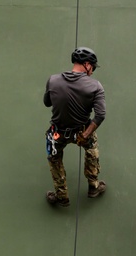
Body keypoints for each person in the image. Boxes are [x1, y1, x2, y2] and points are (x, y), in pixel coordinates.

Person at [44, 47, 107, 206]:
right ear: (86, 64)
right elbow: (100, 115)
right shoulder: (95, 86)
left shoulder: (53, 80)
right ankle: (93, 187)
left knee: (54, 157)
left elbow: (47, 103)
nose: (92, 71)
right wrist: (85, 135)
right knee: (92, 150)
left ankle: (61, 196)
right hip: (82, 131)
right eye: (92, 66)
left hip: (57, 132)